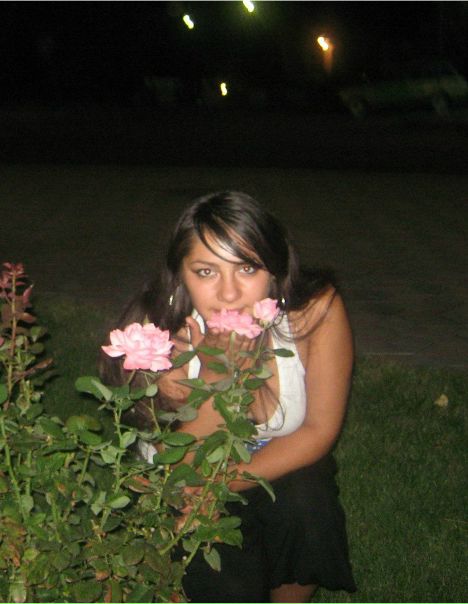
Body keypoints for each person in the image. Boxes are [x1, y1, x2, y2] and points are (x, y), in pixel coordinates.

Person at [100, 191, 356, 603]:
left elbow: (318, 429)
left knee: (309, 507)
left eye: (247, 268)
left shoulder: (313, 310)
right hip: (178, 476)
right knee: (226, 583)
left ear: (274, 270)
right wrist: (217, 375)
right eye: (206, 272)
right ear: (181, 276)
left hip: (259, 463)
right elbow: (181, 471)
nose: (230, 293)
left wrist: (220, 486)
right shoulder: (161, 337)